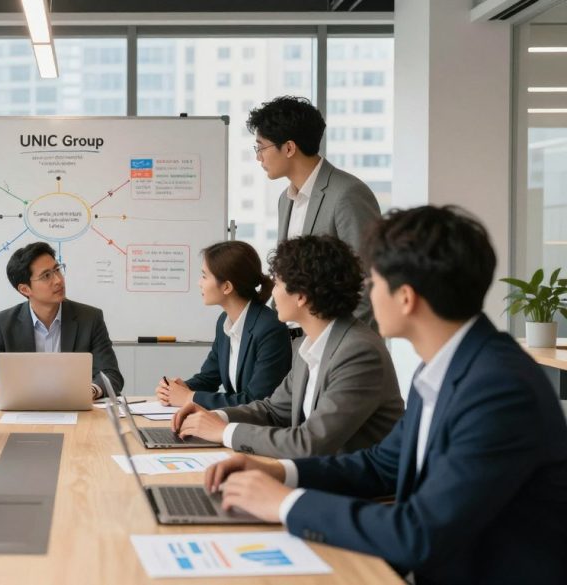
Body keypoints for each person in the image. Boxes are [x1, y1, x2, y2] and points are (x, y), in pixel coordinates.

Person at [203, 206, 567, 585]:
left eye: (374, 283)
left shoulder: (498, 388)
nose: (367, 294)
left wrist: (285, 503)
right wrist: (278, 472)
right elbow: (382, 466)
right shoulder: (442, 367)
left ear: (406, 298)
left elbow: (420, 532)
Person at [172, 235, 403, 458]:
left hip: (351, 481)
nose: (272, 293)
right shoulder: (308, 344)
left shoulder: (358, 352)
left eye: (278, 284)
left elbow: (309, 443)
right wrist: (216, 417)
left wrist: (224, 432)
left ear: (300, 296)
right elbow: (273, 410)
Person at [247, 96, 381, 325]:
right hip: (294, 341)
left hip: (337, 341)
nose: (258, 156)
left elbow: (368, 283)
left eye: (261, 147)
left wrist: (337, 341)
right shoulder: (285, 199)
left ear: (289, 148)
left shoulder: (348, 194)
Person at [0, 242, 124, 398]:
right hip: (24, 408)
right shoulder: (3, 323)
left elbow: (111, 375)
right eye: (46, 276)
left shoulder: (90, 319)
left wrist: (90, 391)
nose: (58, 280)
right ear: (25, 289)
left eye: (57, 270)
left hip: (76, 408)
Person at [156, 240, 291, 409]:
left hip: (259, 423)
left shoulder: (269, 329)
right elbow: (209, 378)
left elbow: (255, 400)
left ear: (226, 287)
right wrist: (179, 389)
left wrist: (189, 398)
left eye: (204, 276)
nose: (199, 283)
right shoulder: (224, 321)